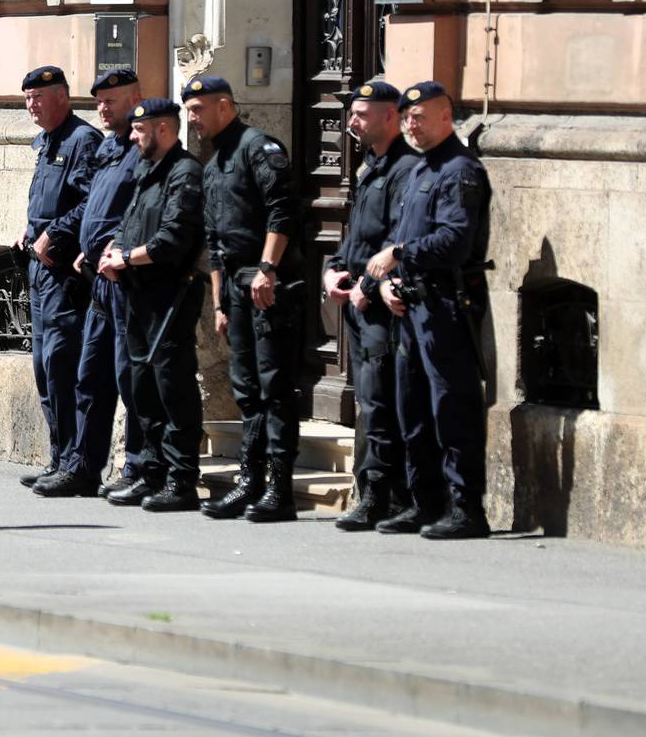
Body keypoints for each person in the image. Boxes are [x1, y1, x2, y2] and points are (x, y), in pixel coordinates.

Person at [365, 80, 494, 540]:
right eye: (407, 118)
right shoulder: (421, 171)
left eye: (420, 117)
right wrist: (390, 283)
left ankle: (466, 508)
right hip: (412, 302)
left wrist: (400, 254)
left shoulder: (460, 171)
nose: (412, 125)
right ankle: (424, 502)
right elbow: (403, 233)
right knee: (412, 407)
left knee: (451, 407)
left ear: (446, 117)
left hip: (445, 305)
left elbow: (455, 241)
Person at [183, 74, 304, 524]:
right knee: (247, 390)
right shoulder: (215, 162)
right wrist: (218, 303)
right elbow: (215, 240)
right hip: (234, 288)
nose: (192, 119)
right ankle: (250, 481)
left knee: (274, 388)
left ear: (224, 104)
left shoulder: (259, 147)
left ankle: (280, 488)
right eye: (189, 111)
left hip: (266, 284)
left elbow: (282, 210)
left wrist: (269, 269)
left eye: (198, 110)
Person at [35, 68, 142, 497]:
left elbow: (140, 207)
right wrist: (81, 241)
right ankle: (81, 466)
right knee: (89, 378)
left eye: (111, 101)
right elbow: (93, 204)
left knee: (130, 380)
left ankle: (137, 467)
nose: (102, 108)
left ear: (135, 97)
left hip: (127, 279)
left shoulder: (141, 148)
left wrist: (116, 243)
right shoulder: (111, 148)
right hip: (96, 276)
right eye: (99, 101)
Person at [100, 99, 206, 511]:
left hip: (171, 294)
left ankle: (181, 480)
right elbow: (131, 221)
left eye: (139, 131)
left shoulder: (185, 173)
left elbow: (173, 239)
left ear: (164, 130)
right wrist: (114, 249)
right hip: (138, 292)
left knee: (171, 387)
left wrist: (126, 258)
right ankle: (152, 473)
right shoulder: (146, 170)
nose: (131, 136)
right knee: (141, 387)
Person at [326, 80, 417, 531]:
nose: (351, 123)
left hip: (381, 304)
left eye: (360, 115)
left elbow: (398, 237)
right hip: (359, 301)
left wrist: (365, 281)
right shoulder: (370, 165)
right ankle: (375, 491)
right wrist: (334, 269)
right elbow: (358, 232)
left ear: (389, 117)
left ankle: (382, 495)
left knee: (379, 402)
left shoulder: (406, 169)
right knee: (369, 399)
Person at [17, 65, 102, 487]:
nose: (31, 105)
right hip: (38, 267)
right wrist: (30, 231)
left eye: (38, 97)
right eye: (28, 98)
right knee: (43, 366)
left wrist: (55, 233)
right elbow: (44, 200)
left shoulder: (83, 140)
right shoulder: (48, 140)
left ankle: (75, 463)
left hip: (63, 271)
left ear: (62, 96)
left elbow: (91, 202)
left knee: (62, 363)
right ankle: (58, 457)